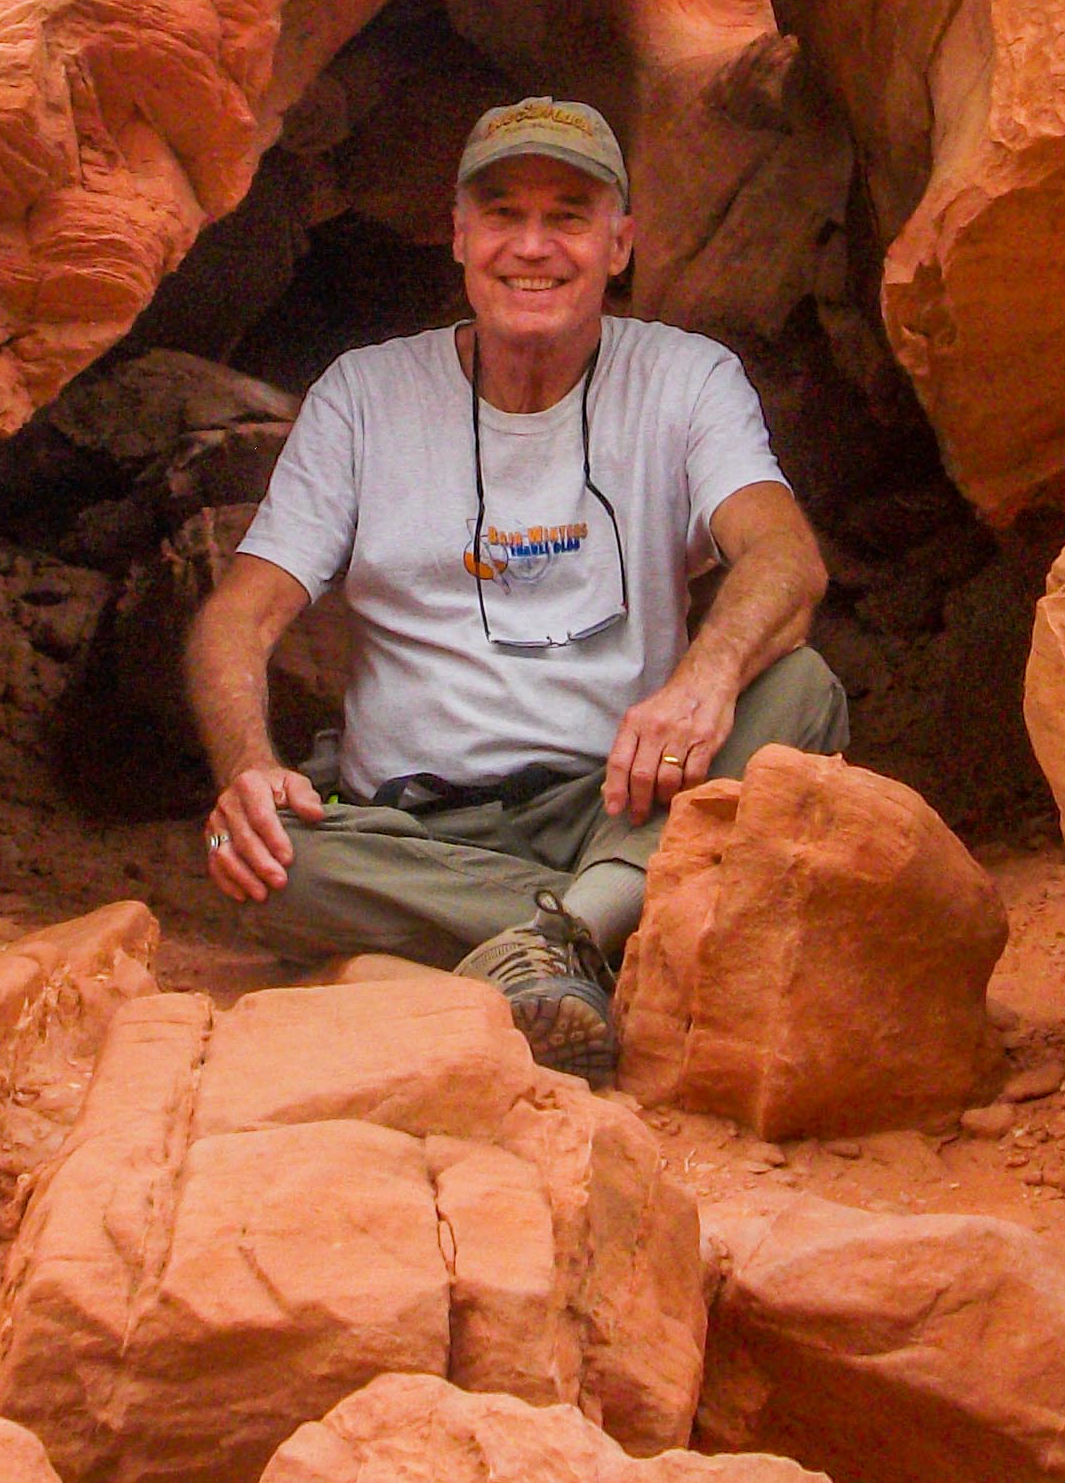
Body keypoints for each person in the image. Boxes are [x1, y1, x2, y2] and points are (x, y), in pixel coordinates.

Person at [183, 95, 847, 1080]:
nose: (531, 247)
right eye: (503, 214)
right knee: (263, 855)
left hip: (624, 800)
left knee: (801, 691)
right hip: (413, 827)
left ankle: (548, 937)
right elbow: (238, 615)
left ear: (619, 243)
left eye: (568, 217)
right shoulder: (364, 395)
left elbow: (784, 557)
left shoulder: (686, 379)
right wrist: (246, 763)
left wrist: (703, 682)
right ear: (458, 235)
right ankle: (602, 921)